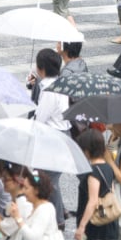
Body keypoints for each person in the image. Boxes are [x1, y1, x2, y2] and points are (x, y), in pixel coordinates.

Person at [73, 131, 118, 240]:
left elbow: (92, 202)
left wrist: (81, 226)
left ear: (87, 150)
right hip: (110, 223)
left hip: (95, 226)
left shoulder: (92, 173)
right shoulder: (107, 168)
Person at [32, 48, 71, 227]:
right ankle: (60, 211)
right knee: (50, 178)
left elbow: (40, 118)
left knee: (47, 179)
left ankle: (58, 220)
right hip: (61, 135)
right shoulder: (58, 84)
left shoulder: (48, 90)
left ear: (41, 68)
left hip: (52, 138)